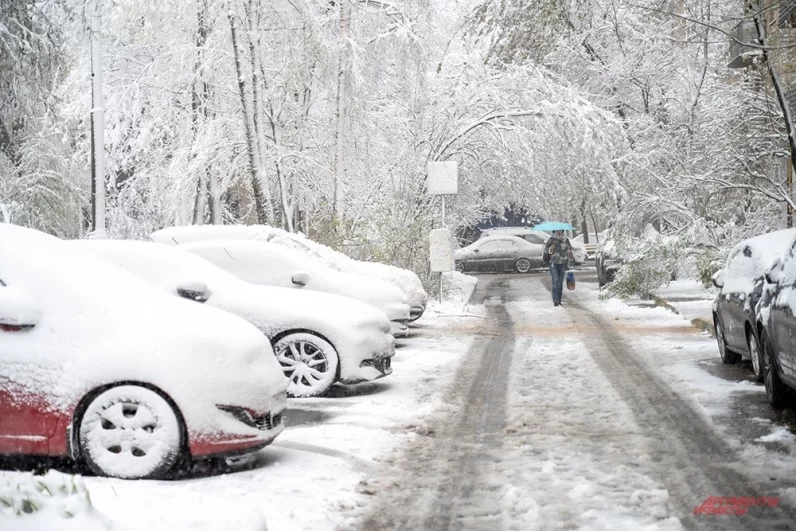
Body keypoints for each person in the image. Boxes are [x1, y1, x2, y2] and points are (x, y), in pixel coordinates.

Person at [544, 230, 574, 306]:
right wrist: (551, 248)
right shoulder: (551, 240)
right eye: (557, 231)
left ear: (562, 231)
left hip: (563, 263)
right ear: (554, 231)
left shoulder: (566, 240)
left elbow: (569, 252)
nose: (558, 232)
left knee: (560, 283)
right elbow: (546, 251)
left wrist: (570, 264)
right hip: (553, 263)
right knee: (555, 281)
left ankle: (559, 300)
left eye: (560, 231)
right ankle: (555, 301)